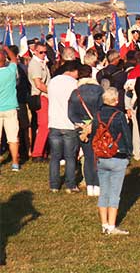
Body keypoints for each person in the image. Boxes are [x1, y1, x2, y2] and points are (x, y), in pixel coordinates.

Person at [96, 87, 133, 235]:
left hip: (101, 156)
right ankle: (111, 226)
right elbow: (126, 135)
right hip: (118, 155)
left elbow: (94, 133)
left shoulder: (97, 114)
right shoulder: (119, 115)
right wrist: (129, 153)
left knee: (103, 191)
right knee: (114, 193)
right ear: (116, 100)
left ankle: (104, 224)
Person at [68, 64, 104, 195]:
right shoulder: (99, 90)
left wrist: (82, 124)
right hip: (96, 125)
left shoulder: (75, 92)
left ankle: (90, 185)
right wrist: (93, 123)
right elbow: (102, 110)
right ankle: (98, 184)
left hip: (82, 128)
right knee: (98, 156)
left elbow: (71, 114)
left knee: (88, 156)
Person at [48, 64, 81, 192]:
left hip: (54, 122)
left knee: (55, 157)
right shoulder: (74, 83)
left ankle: (54, 185)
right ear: (73, 70)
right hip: (69, 124)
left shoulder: (53, 81)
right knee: (70, 156)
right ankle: (71, 184)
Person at [28, 42, 51, 160]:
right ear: (35, 52)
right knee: (44, 125)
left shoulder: (42, 63)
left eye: (45, 52)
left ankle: (43, 151)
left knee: (44, 125)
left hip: (44, 96)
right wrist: (51, 92)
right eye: (41, 52)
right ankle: (37, 153)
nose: (43, 54)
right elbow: (38, 84)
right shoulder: (35, 64)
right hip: (41, 96)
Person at [0, 49, 22, 171]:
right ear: (4, 60)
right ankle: (15, 163)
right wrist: (7, 49)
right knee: (13, 138)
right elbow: (14, 59)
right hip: (10, 108)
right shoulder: (10, 70)